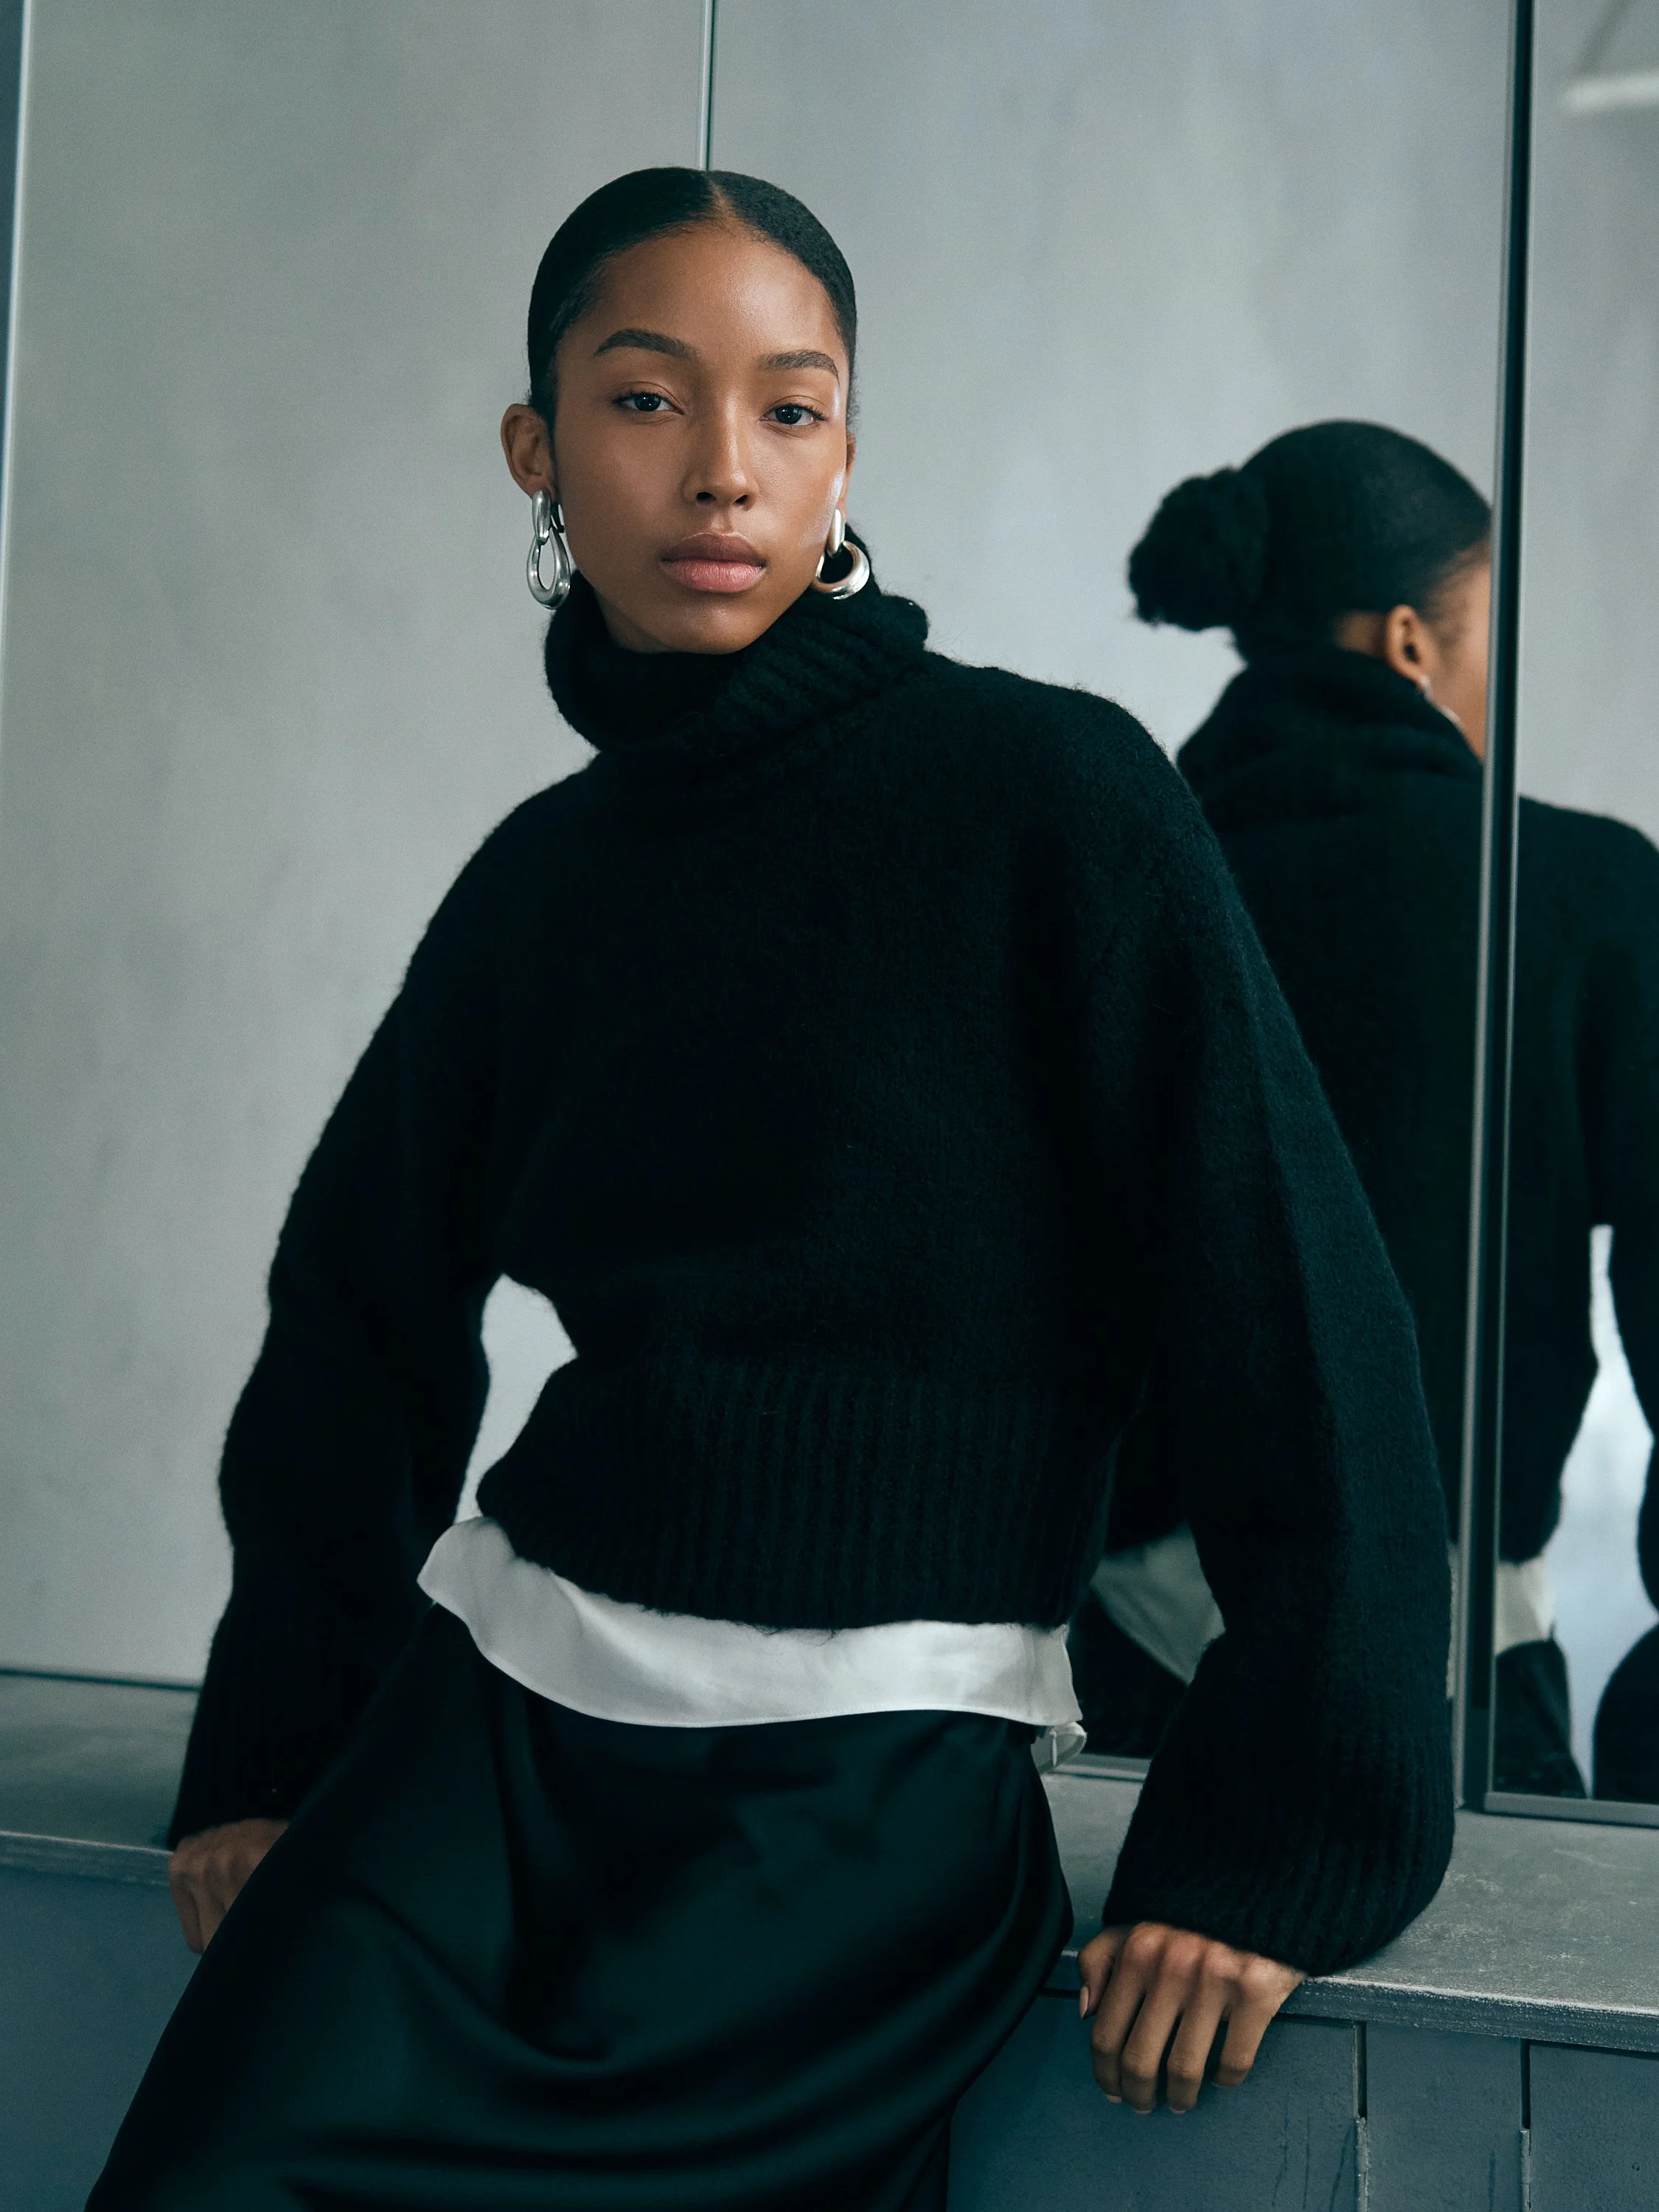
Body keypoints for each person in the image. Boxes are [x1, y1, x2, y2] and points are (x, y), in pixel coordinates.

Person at [91, 187, 1453, 2211]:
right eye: (646, 400)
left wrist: (1277, 1827)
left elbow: (1297, 1302)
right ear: (536, 449)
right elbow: (356, 1310)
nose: (723, 467)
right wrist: (279, 1744)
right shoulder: (547, 880)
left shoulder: (1052, 797)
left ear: (844, 451)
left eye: (791, 411)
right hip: (485, 1747)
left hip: (867, 1788)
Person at [1098, 418, 1659, 1803]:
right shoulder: (1579, 897)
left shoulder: (1114, 890)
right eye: (1484, 641)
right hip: (1456, 1692)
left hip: (1110, 1681)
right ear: (1411, 644)